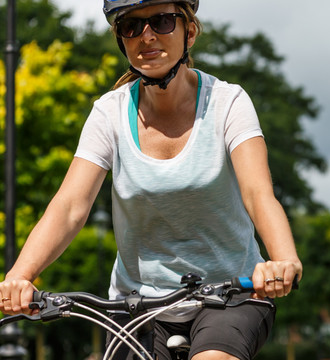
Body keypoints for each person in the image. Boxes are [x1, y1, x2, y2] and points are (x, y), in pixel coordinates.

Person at [0, 1, 303, 359]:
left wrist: (283, 260)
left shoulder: (228, 102)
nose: (147, 36)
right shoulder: (108, 114)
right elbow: (69, 207)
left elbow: (258, 195)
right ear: (121, 40)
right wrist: (19, 276)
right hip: (137, 306)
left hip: (230, 296)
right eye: (132, 26)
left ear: (188, 32)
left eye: (161, 22)